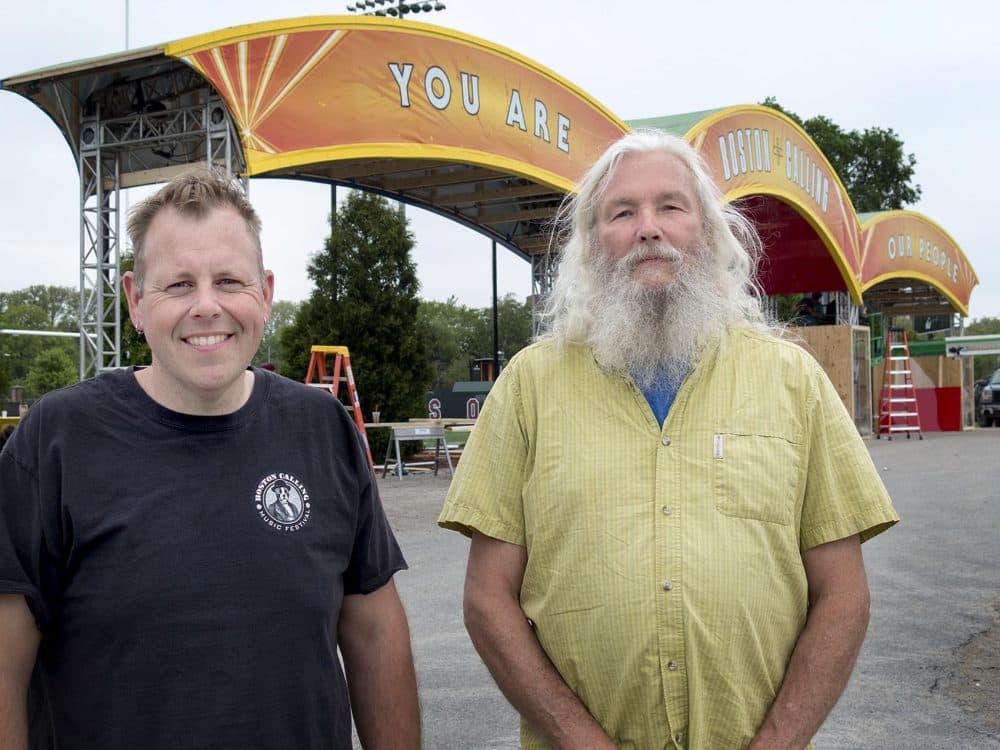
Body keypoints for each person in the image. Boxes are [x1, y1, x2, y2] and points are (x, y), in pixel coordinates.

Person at [439, 130, 899, 749]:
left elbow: (844, 596)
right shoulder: (528, 388)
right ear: (591, 246)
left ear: (707, 234)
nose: (648, 228)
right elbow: (487, 602)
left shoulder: (794, 382)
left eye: (671, 207)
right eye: (622, 212)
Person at [0, 168, 420, 749]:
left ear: (265, 293)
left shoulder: (323, 429)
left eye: (229, 281)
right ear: (135, 301)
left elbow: (374, 633)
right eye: (177, 285)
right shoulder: (57, 441)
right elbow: (5, 658)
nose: (206, 307)